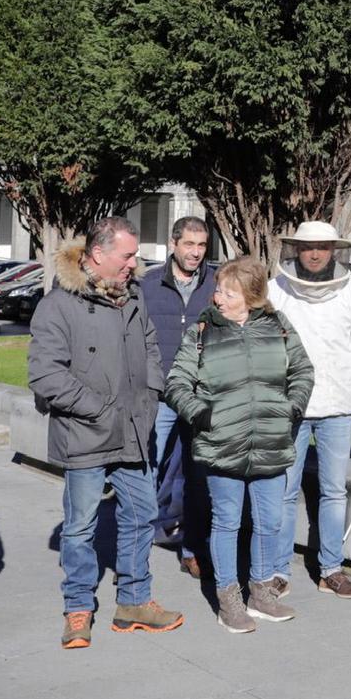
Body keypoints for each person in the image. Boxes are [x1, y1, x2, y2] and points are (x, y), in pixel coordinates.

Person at [28, 217, 185, 648]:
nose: (135, 263)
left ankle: (134, 602)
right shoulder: (59, 305)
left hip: (133, 431)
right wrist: (98, 409)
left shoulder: (132, 297)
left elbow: (151, 346)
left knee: (141, 513)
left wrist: (151, 393)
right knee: (80, 527)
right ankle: (78, 608)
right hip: (86, 434)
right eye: (128, 255)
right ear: (98, 256)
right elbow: (45, 376)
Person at [166, 257, 313, 634]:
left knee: (270, 521)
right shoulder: (203, 330)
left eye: (227, 292)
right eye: (218, 290)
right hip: (222, 446)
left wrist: (290, 410)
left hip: (269, 441)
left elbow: (302, 372)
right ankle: (228, 599)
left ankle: (262, 594)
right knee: (227, 522)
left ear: (251, 296)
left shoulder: (278, 326)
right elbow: (177, 383)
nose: (217, 298)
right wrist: (205, 417)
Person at [268, 219, 351, 598]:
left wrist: (341, 378)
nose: (315, 254)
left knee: (332, 490)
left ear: (334, 251)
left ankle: (331, 569)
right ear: (295, 249)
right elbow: (265, 341)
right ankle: (277, 571)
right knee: (283, 489)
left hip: (338, 406)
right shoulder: (276, 289)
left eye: (323, 247)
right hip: (290, 406)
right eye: (308, 247)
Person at [142, 216, 216, 579]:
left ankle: (192, 549)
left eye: (201, 246)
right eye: (189, 244)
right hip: (158, 395)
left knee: (196, 473)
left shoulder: (216, 283)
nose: (196, 253)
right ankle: (136, 546)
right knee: (147, 468)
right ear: (174, 244)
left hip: (199, 396)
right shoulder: (149, 284)